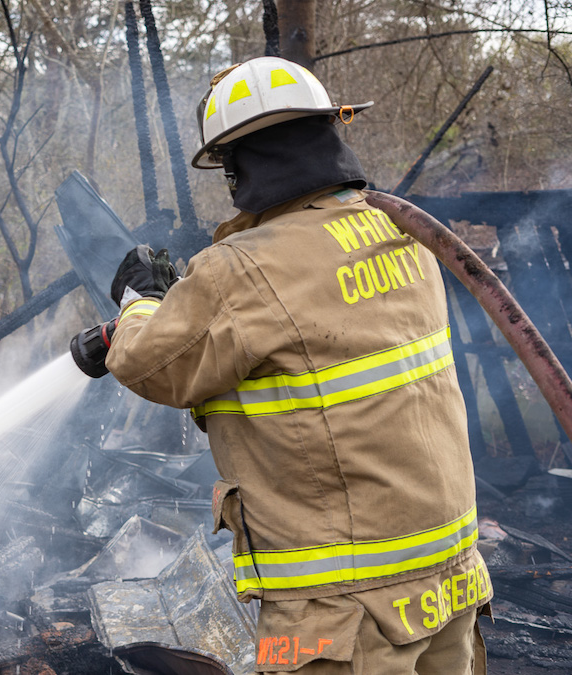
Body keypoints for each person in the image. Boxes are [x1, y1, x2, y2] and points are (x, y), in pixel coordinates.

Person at [92, 56, 491, 673]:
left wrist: (142, 300)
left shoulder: (244, 269)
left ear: (239, 165)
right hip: (451, 581)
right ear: (328, 132)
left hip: (343, 607)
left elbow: (149, 365)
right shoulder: (402, 232)